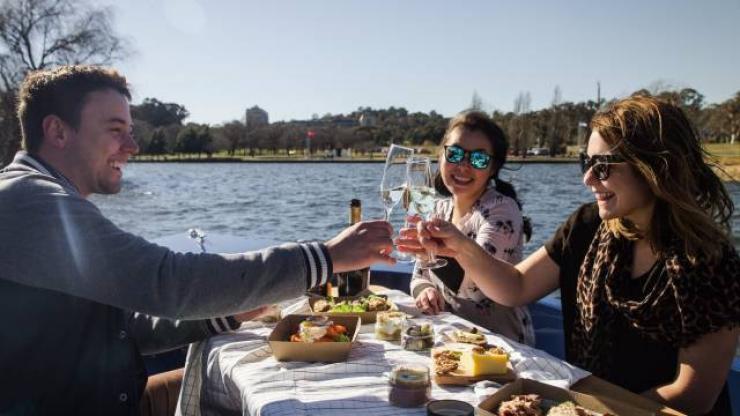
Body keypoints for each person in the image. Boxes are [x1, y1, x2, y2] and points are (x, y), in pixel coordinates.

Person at [0, 65, 394, 415]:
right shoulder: (28, 202)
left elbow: (123, 328)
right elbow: (167, 281)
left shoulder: (48, 199)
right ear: (57, 131)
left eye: (131, 132)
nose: (133, 147)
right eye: (115, 131)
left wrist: (226, 314)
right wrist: (326, 257)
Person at [402, 96, 739, 415]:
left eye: (603, 166)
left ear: (654, 167)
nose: (588, 178)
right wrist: (460, 247)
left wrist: (591, 411)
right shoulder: (587, 225)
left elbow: (693, 396)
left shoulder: (710, 261)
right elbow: (516, 287)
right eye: (587, 162)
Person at [409, 111, 535, 345]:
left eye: (478, 159)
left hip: (501, 346)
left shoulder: (501, 211)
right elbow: (419, 274)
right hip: (450, 338)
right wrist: (424, 291)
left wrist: (448, 245)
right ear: (441, 155)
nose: (463, 166)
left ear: (492, 168)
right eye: (455, 154)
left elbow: (477, 290)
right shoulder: (439, 210)